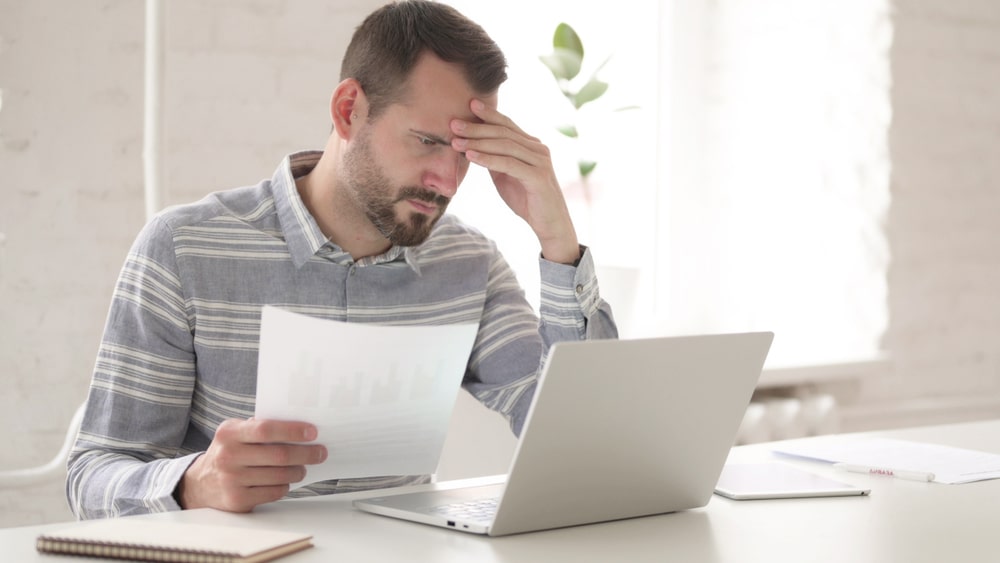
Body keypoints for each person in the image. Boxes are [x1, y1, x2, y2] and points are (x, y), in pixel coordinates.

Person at [67, 0, 617, 519]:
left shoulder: (469, 263)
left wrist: (557, 239)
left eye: (466, 153)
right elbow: (93, 474)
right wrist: (193, 482)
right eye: (427, 141)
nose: (447, 181)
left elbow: (583, 443)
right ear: (349, 110)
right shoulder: (185, 249)